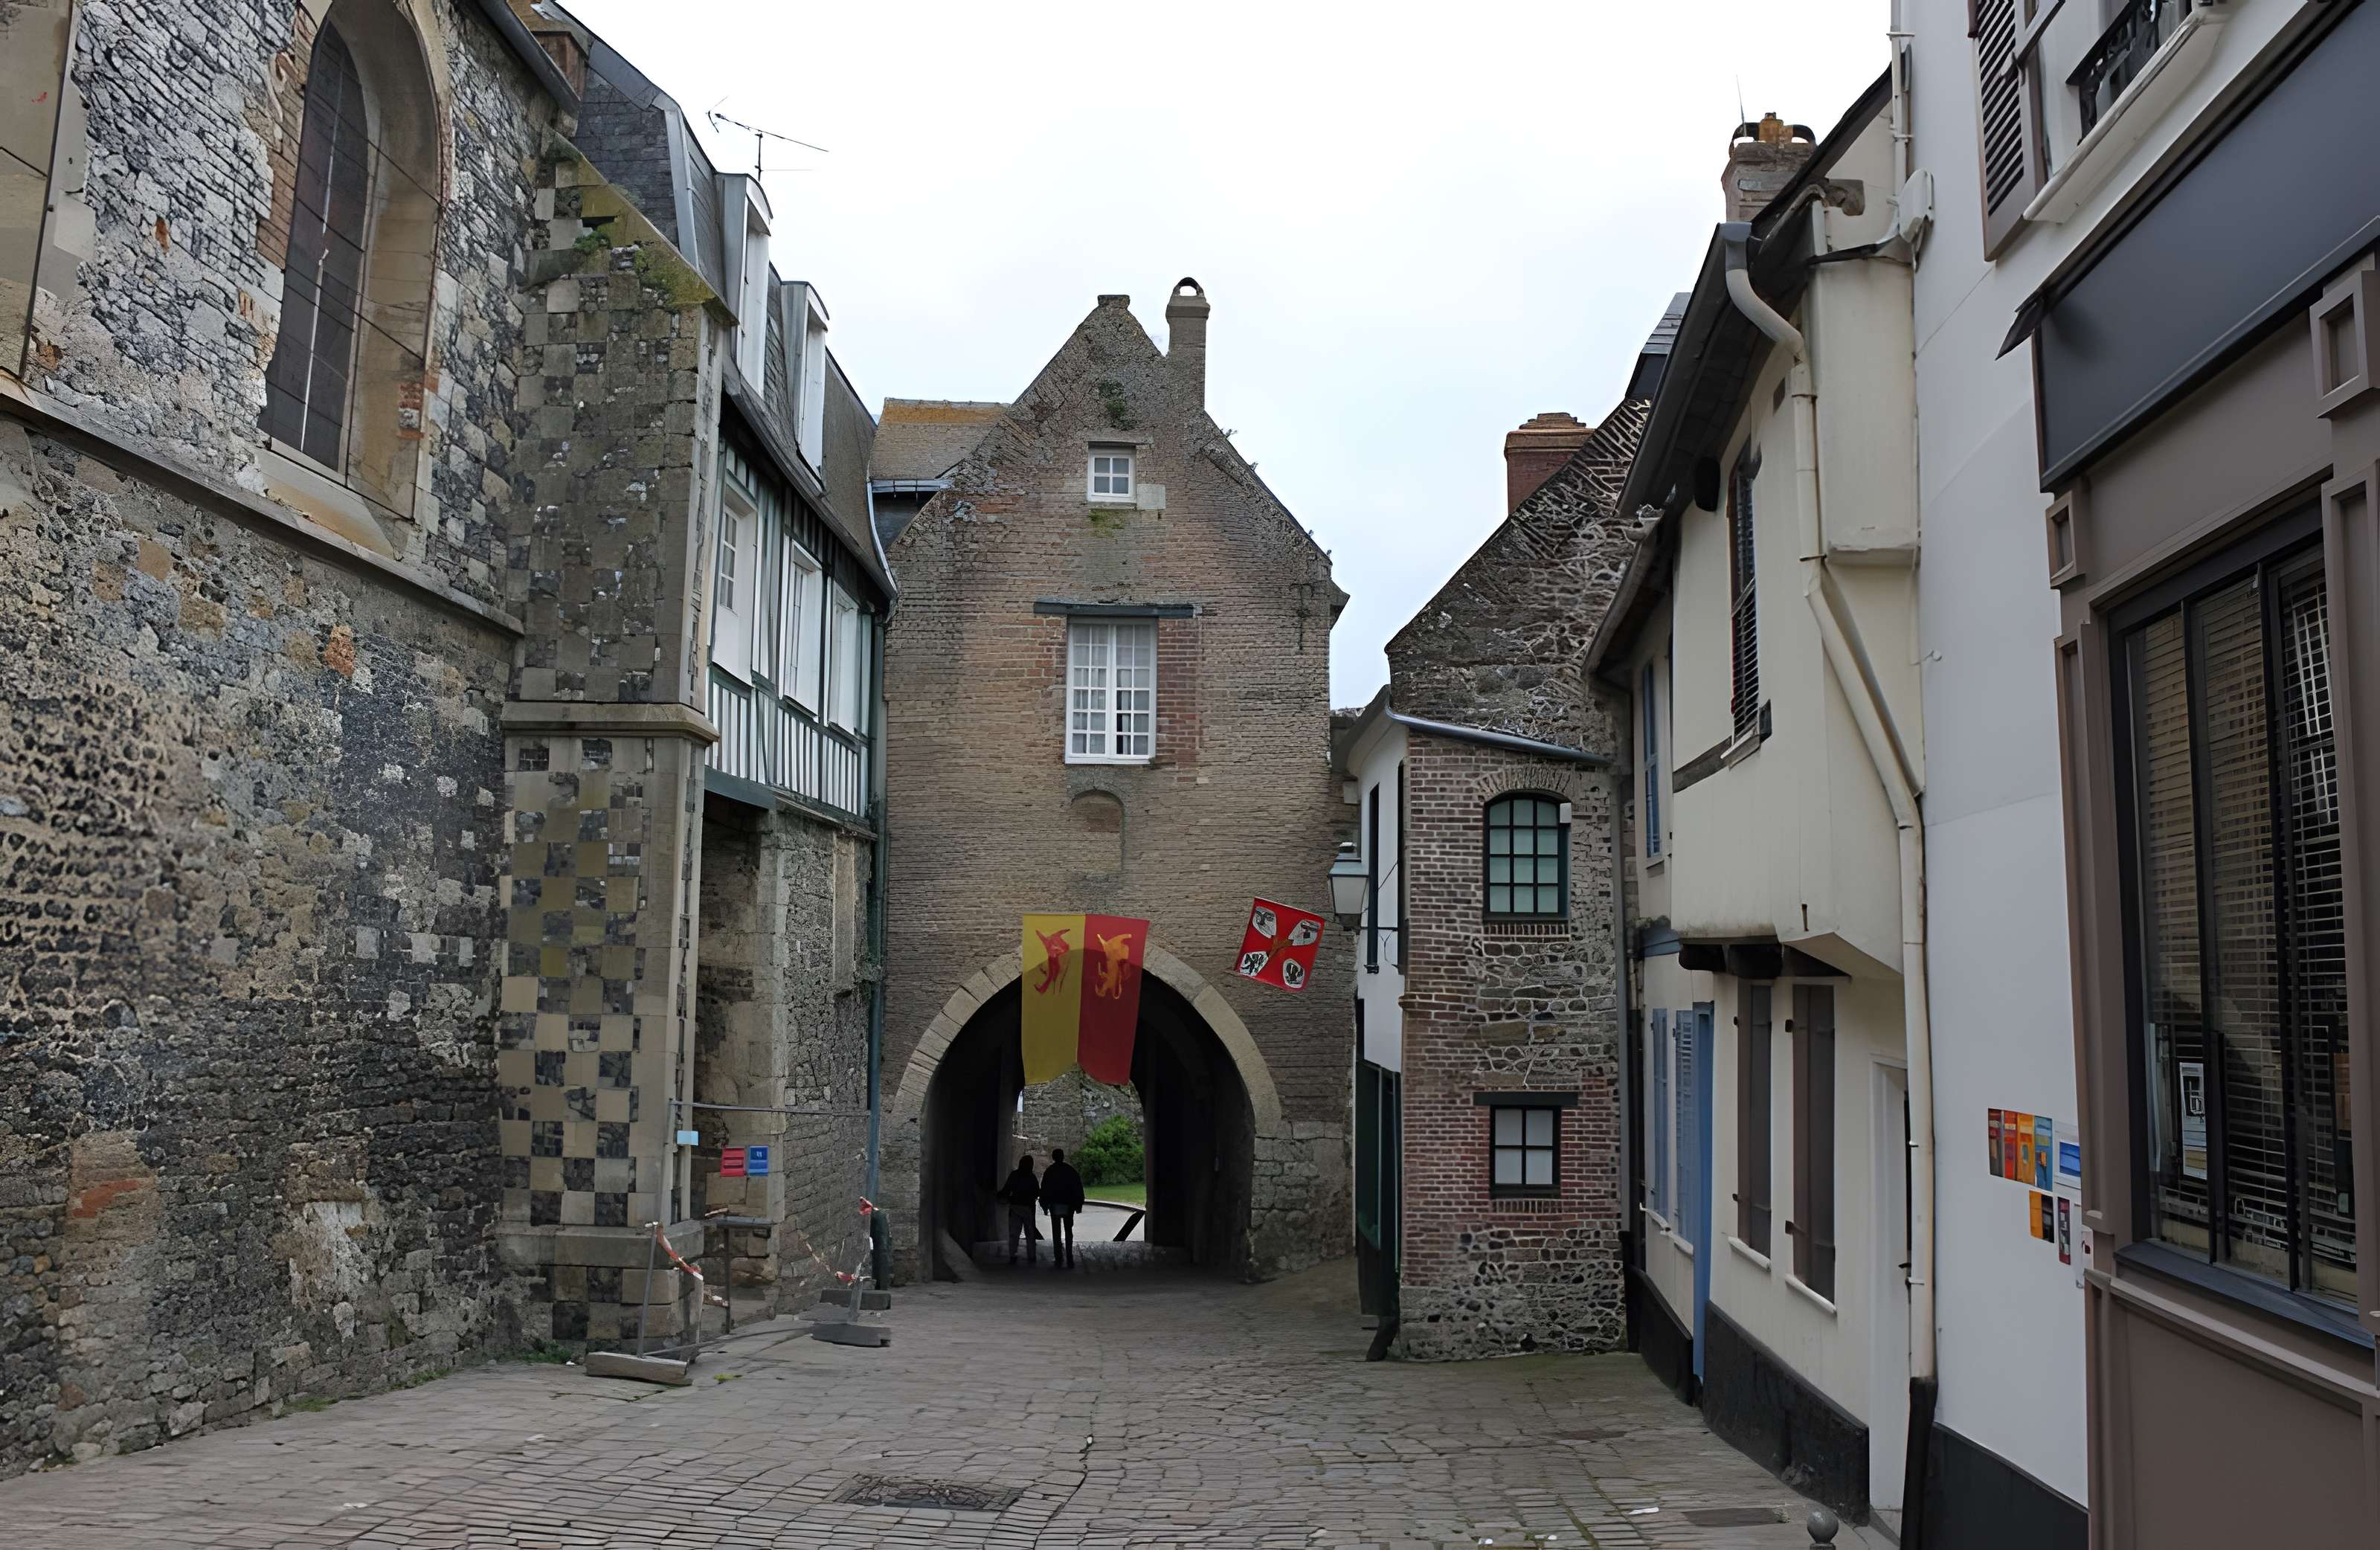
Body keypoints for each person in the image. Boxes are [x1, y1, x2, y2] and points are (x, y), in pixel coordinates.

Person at [1041, 1147, 1086, 1269]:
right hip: (1068, 1204)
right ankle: (1070, 1257)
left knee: (1056, 1231)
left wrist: (1044, 1205)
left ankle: (1058, 1257)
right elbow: (1078, 1187)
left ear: (1053, 1157)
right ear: (1063, 1156)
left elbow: (1044, 1189)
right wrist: (1079, 1204)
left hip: (1055, 1204)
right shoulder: (1070, 1170)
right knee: (1068, 1231)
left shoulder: (1050, 1171)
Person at [998, 1154, 1041, 1264]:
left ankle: (1013, 1255)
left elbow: (1007, 1190)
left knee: (1014, 1233)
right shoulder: (1032, 1177)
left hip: (1015, 1207)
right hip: (1029, 1208)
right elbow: (1037, 1192)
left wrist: (1001, 1197)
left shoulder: (1014, 1175)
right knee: (1030, 1234)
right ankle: (1031, 1256)